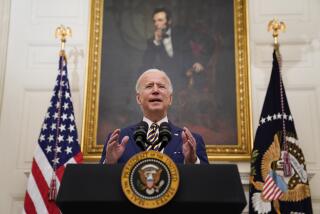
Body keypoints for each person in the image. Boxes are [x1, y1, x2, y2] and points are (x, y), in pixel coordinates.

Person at [100, 69, 209, 164]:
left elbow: (205, 184)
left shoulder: (192, 141)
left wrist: (192, 162)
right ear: (138, 99)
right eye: (149, 86)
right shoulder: (118, 139)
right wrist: (110, 162)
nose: (155, 90)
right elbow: (101, 185)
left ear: (170, 99)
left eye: (161, 86)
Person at [142, 7, 204, 92]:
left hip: (188, 75)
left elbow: (204, 44)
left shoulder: (182, 32)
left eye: (160, 20)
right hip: (167, 81)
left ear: (169, 21)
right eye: (154, 21)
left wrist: (199, 62)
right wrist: (156, 42)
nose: (156, 24)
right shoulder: (152, 42)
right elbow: (146, 64)